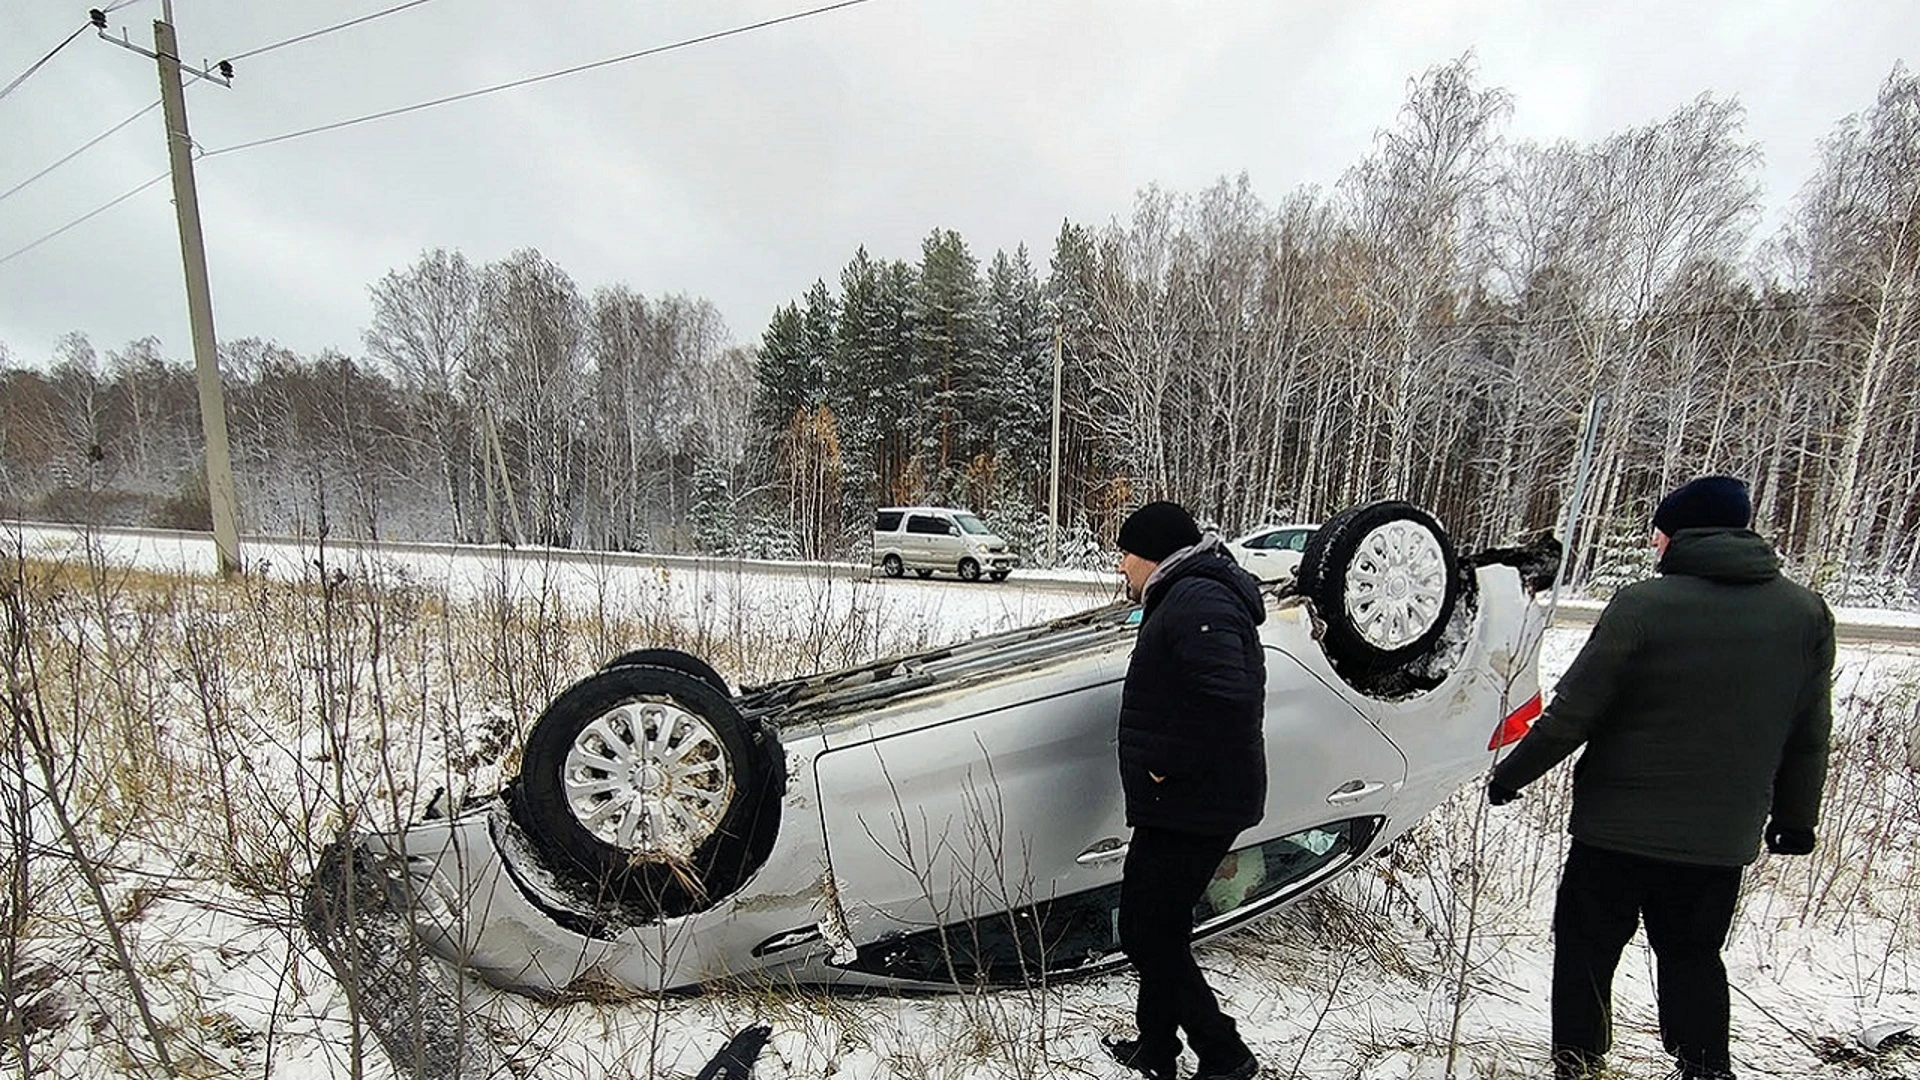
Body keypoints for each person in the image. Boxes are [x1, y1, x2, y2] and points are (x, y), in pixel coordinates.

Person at [1488, 476, 1834, 1080]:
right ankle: (1704, 1066)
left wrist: (1512, 774)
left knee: (1587, 954)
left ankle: (1577, 1061)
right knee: (1694, 955)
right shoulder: (1805, 614)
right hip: (1718, 843)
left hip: (1614, 834)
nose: (1652, 541)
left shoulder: (1643, 606)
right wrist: (1795, 819)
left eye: (1658, 530)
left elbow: (1576, 710)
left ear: (1679, 533)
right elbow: (1809, 730)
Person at [1103, 501, 1265, 1080]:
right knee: (1160, 929)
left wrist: (1163, 765)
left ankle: (1222, 1052)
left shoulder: (1200, 599)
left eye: (1125, 553)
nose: (1120, 565)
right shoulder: (1186, 595)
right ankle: (1157, 1050)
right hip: (1185, 801)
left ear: (1154, 554)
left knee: (1145, 932)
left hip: (1196, 801)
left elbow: (1229, 698)